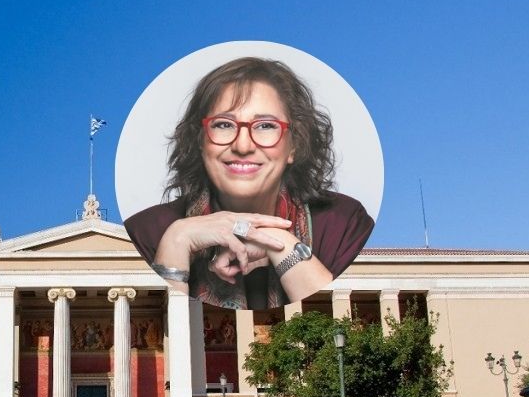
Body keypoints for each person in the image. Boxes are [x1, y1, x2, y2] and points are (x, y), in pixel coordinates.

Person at [124, 57, 375, 309]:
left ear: (294, 146)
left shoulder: (344, 223)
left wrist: (279, 242)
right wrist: (176, 243)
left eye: (265, 126)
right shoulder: (145, 232)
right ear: (200, 142)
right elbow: (162, 329)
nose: (243, 146)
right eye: (224, 124)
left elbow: (337, 325)